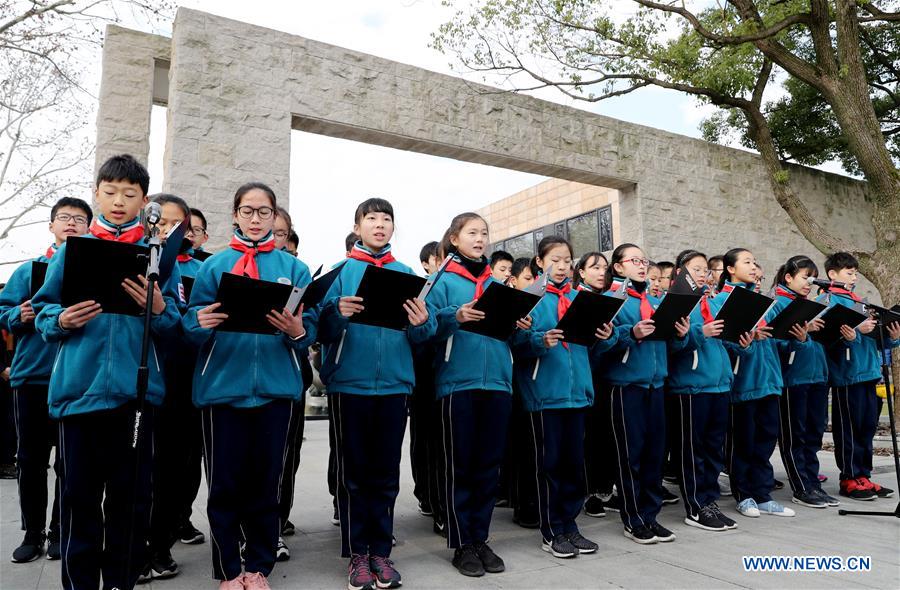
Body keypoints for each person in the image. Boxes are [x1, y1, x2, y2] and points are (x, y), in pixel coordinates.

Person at [32, 154, 183, 590]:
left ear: (144, 200)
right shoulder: (71, 250)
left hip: (136, 396)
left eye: (130, 194)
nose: (119, 201)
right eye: (111, 192)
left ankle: (121, 583)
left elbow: (175, 326)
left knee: (131, 503)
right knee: (79, 501)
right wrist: (61, 320)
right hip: (78, 393)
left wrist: (160, 308)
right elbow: (43, 310)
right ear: (97, 193)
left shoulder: (157, 257)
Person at [182, 182, 313, 590]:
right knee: (224, 486)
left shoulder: (295, 269)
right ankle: (227, 570)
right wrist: (198, 323)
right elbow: (189, 323)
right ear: (235, 215)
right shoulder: (214, 266)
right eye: (247, 211)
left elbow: (310, 330)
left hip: (276, 391)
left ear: (275, 217)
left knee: (266, 485)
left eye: (264, 212)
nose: (256, 219)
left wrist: (297, 331)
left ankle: (258, 567)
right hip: (222, 390)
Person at [308, 198, 430, 590]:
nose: (379, 224)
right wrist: (335, 313)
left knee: (386, 474)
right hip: (350, 384)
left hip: (395, 383)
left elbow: (422, 337)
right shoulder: (340, 272)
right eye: (371, 218)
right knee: (354, 474)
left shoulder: (407, 274)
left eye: (386, 218)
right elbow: (318, 331)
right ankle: (357, 553)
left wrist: (422, 323)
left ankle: (381, 551)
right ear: (357, 226)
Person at [425, 213, 527, 577]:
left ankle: (480, 538)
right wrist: (454, 317)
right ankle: (461, 543)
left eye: (484, 233)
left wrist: (520, 325)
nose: (480, 238)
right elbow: (422, 331)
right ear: (454, 239)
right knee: (460, 466)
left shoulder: (500, 285)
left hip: (498, 382)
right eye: (472, 233)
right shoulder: (441, 281)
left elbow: (512, 338)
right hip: (458, 383)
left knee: (488, 467)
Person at [0, 196, 91, 563]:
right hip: (32, 377)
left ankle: (59, 530)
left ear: (89, 228)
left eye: (80, 219)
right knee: (30, 459)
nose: (71, 223)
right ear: (51, 225)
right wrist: (17, 316)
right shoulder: (29, 270)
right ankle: (33, 532)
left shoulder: (93, 269)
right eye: (64, 217)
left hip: (75, 378)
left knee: (70, 462)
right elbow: (3, 311)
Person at [512, 236, 611, 558]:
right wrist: (539, 341)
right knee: (550, 466)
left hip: (577, 393)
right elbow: (515, 345)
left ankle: (570, 525)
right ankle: (552, 530)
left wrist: (605, 337)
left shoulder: (582, 299)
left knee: (573, 466)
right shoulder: (529, 298)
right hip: (545, 394)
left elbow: (593, 351)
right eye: (554, 260)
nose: (562, 266)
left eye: (567, 260)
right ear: (540, 262)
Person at [599, 243, 689, 544]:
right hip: (627, 387)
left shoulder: (656, 299)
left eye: (643, 260)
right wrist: (630, 333)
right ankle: (633, 518)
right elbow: (599, 347)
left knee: (654, 455)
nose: (641, 265)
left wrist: (680, 335)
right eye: (634, 260)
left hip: (656, 385)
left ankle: (651, 516)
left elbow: (670, 345)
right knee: (631, 455)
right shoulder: (611, 299)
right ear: (618, 266)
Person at [715, 248, 795, 518]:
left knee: (765, 441)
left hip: (770, 381)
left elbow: (776, 339)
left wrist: (795, 335)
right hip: (743, 383)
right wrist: (746, 341)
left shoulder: (763, 302)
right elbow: (722, 342)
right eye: (746, 262)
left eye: (754, 262)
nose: (753, 266)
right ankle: (744, 495)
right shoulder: (722, 300)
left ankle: (762, 494)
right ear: (730, 269)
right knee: (743, 442)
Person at [665, 250, 739, 532]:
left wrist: (741, 340)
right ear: (680, 273)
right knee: (692, 450)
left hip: (718, 385)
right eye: (696, 269)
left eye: (705, 270)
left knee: (712, 450)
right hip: (691, 386)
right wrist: (700, 333)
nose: (703, 274)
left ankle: (710, 501)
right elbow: (672, 346)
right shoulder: (677, 303)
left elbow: (723, 341)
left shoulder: (711, 302)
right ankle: (696, 507)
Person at [817, 252, 899, 500]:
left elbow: (875, 341)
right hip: (847, 375)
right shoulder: (827, 301)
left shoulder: (860, 302)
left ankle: (864, 475)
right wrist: (853, 331)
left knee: (866, 428)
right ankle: (849, 478)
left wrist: (892, 337)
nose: (854, 277)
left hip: (869, 373)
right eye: (849, 273)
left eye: (855, 273)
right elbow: (825, 339)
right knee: (849, 429)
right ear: (832, 274)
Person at [770, 256, 838, 509]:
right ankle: (801, 487)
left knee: (814, 434)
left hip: (817, 376)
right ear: (788, 277)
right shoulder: (778, 303)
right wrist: (802, 334)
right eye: (805, 277)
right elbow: (774, 342)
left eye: (813, 278)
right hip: (793, 378)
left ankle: (813, 484)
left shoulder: (811, 304)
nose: (810, 283)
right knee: (795, 435)